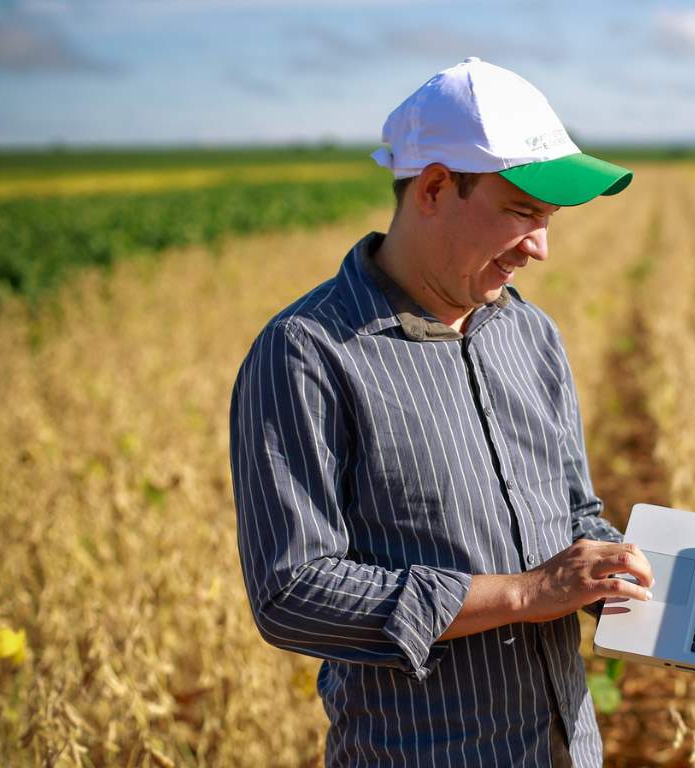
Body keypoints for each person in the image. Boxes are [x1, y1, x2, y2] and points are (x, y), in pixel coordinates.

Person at [229, 57, 655, 767]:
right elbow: (291, 592)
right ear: (433, 187)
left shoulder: (531, 334)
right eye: (523, 211)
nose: (540, 247)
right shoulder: (306, 353)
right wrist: (523, 593)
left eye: (547, 219)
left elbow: (574, 511)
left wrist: (632, 579)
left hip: (565, 749)